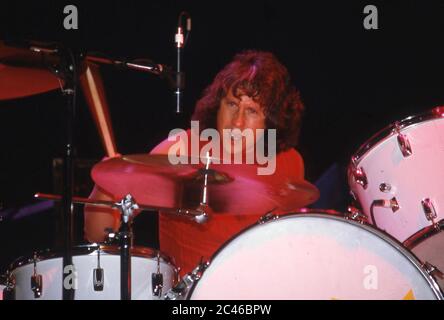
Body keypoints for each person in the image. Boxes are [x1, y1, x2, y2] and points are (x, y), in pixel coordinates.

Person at [84, 50, 318, 276]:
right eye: (232, 104)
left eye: (252, 111)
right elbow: (98, 234)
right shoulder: (180, 149)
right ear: (218, 104)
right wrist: (107, 185)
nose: (237, 122)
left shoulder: (287, 162)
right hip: (188, 295)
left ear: (271, 121)